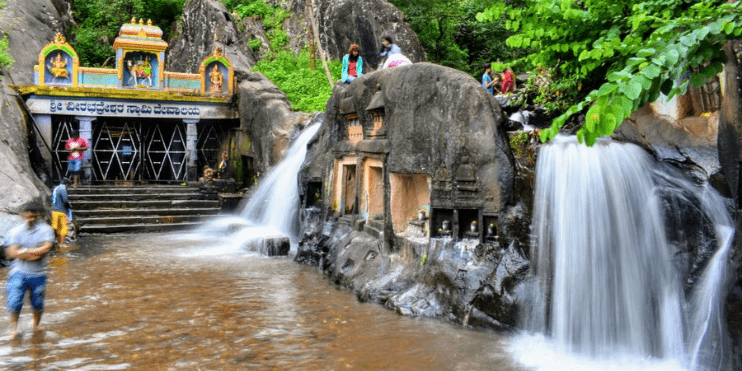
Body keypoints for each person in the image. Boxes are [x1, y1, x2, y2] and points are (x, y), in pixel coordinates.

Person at [5, 203, 55, 336]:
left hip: (39, 273)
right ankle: (14, 330)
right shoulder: (16, 231)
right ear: (23, 216)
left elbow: (45, 249)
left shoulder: (46, 230)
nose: (30, 219)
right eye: (27, 217)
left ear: (37, 215)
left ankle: (35, 326)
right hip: (17, 272)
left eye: (33, 217)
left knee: (38, 303)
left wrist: (23, 253)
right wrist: (33, 253)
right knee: (14, 302)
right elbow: (12, 253)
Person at [51, 179, 72, 250]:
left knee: (57, 228)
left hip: (54, 210)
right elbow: (65, 200)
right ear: (66, 184)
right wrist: (69, 207)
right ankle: (62, 244)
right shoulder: (63, 188)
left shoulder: (56, 188)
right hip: (61, 211)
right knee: (63, 228)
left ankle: (59, 243)